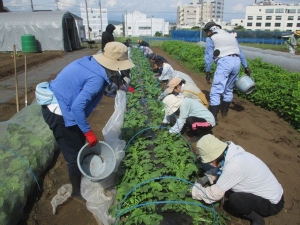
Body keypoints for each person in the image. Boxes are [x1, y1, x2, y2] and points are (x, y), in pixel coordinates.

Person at [41, 42, 134, 203]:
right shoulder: (96, 78)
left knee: (79, 143)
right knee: (73, 154)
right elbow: (77, 108)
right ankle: (76, 192)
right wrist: (89, 132)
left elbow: (105, 84)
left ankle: (81, 170)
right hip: (59, 112)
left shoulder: (93, 63)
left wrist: (122, 88)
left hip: (66, 106)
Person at [192, 134, 284, 225]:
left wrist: (195, 191)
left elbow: (214, 195)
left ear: (214, 159)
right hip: (267, 191)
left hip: (271, 204)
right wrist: (205, 179)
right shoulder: (230, 152)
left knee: (235, 199)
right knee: (224, 186)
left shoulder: (234, 166)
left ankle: (257, 219)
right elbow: (219, 169)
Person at [203, 21, 251, 123]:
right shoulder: (230, 36)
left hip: (225, 61)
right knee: (229, 88)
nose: (206, 34)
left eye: (206, 31)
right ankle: (224, 113)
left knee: (216, 90)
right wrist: (246, 66)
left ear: (209, 30)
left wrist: (208, 71)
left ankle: (213, 118)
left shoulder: (211, 37)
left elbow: (209, 56)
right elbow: (240, 52)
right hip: (236, 61)